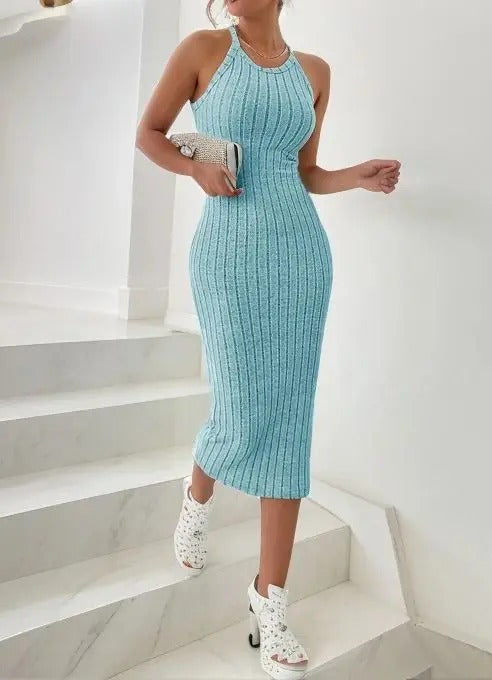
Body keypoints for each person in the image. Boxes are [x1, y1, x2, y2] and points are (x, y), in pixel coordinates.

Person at [135, 1, 400, 677]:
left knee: (288, 418)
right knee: (241, 403)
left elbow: (304, 171)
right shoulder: (202, 51)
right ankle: (197, 497)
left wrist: (355, 176)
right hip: (227, 253)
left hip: (300, 255)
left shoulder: (315, 71)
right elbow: (150, 134)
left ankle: (270, 596)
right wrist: (194, 168)